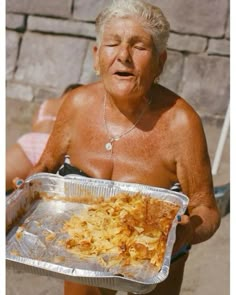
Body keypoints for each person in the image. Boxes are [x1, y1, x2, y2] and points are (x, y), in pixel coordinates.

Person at [13, 0, 221, 294]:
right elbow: (45, 167)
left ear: (160, 62)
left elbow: (208, 210)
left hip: (154, 267)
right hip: (83, 252)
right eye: (113, 43)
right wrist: (27, 190)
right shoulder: (76, 105)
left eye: (139, 46)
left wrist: (184, 232)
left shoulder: (180, 124)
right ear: (97, 57)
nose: (123, 56)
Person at [6, 83, 81, 192]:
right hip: (56, 148)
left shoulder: (48, 104)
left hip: (31, 142)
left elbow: (34, 125)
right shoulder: (79, 108)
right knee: (37, 195)